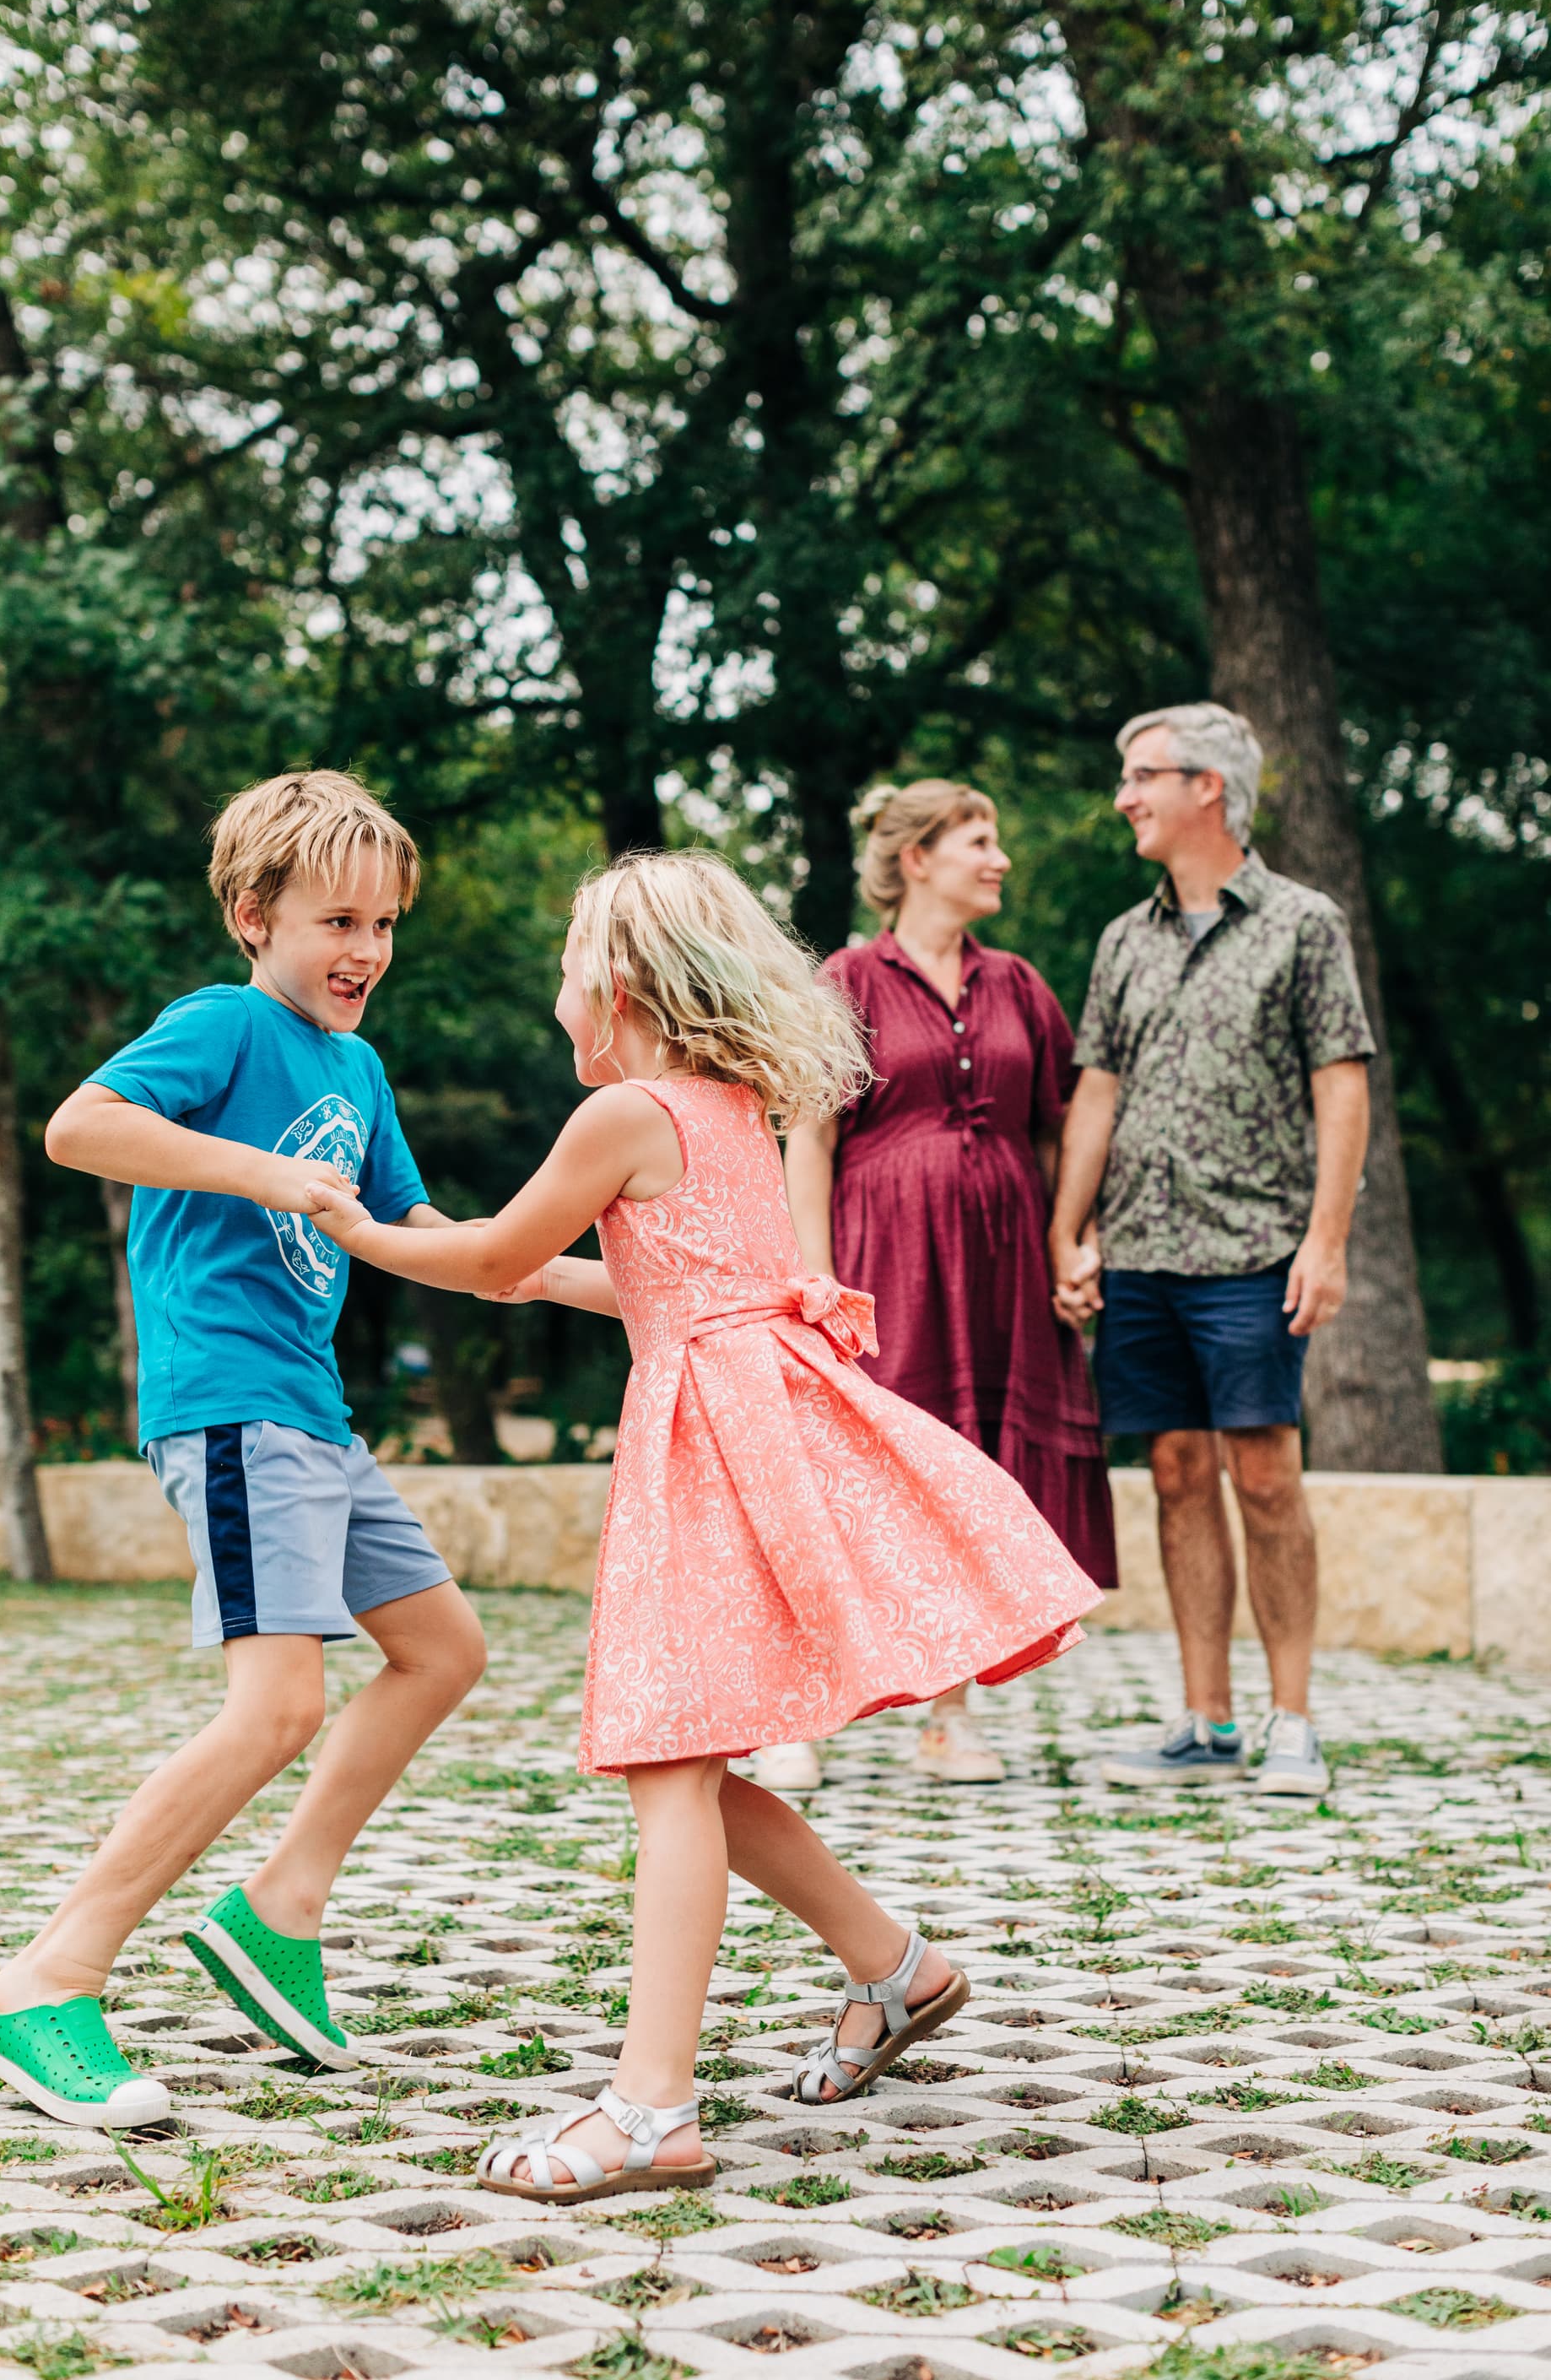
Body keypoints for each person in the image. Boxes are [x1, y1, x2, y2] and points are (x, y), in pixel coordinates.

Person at [304, 850, 1100, 2203]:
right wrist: (499, 1259)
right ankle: (898, 1970)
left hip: (712, 1445)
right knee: (696, 1769)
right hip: (756, 1415)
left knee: (674, 1767)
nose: (559, 996)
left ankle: (647, 2108)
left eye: (567, 967)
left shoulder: (622, 1112)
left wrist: (365, 1229)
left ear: (614, 986)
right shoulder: (726, 1104)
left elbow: (499, 1257)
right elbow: (649, 1278)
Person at [0, 772, 488, 2128]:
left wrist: (626, 1281)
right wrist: (259, 1170)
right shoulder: (222, 1024)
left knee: (443, 1653)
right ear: (255, 917)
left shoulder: (360, 1067)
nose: (365, 950)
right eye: (337, 920)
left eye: (384, 923)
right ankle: (46, 1980)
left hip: (314, 1413)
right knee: (275, 1707)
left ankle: (277, 1912)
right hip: (231, 1402)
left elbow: (420, 1235)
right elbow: (79, 1127)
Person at [1047, 704, 1373, 1798]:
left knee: (1265, 1475)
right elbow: (1097, 1091)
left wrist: (1325, 1241)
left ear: (1209, 791)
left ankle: (1293, 1722)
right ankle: (1205, 1720)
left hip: (1254, 1249)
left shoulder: (1302, 923)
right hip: (1140, 1250)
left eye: (1143, 777)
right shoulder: (1122, 939)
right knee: (1178, 1474)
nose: (1124, 796)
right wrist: (1068, 1227)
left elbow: (1343, 1089)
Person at [774, 781, 1116, 1794]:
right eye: (979, 838)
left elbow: (1058, 1129)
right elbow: (811, 1134)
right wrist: (816, 1276)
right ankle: (800, 1712)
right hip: (887, 1255)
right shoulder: (846, 978)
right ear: (917, 858)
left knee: (970, 1475)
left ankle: (950, 1721)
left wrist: (1070, 1242)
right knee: (854, 1481)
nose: (998, 856)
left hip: (1003, 1262)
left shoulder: (1018, 983)